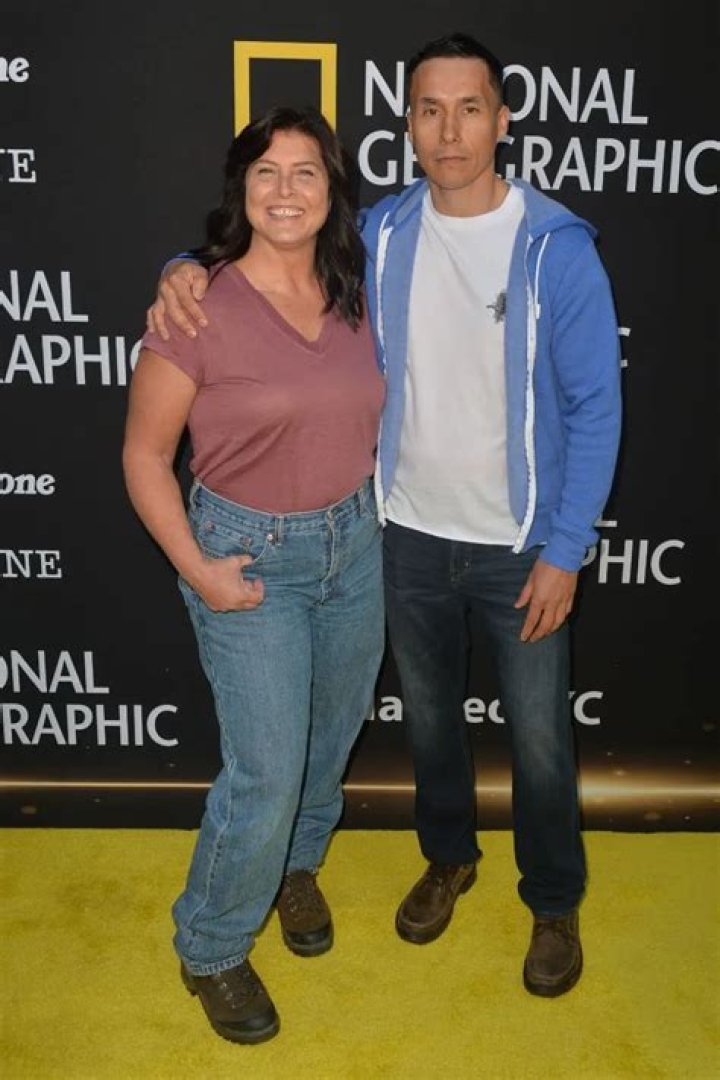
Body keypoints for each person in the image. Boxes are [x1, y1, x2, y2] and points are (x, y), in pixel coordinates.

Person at [148, 33, 622, 999]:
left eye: (469, 108)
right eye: (429, 110)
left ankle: (553, 901)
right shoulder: (385, 233)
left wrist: (567, 547)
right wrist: (181, 266)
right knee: (434, 726)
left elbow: (596, 406)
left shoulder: (557, 247)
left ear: (502, 119)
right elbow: (270, 239)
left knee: (539, 739)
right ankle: (449, 860)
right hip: (400, 536)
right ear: (408, 124)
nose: (449, 131)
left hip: (521, 543)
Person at [124, 106, 385, 1044]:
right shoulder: (198, 307)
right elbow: (144, 457)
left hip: (357, 545)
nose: (285, 189)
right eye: (266, 171)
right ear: (241, 188)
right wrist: (197, 569)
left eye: (305, 171)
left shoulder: (361, 287)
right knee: (267, 769)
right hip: (248, 555)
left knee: (329, 739)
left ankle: (295, 868)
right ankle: (211, 945)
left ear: (331, 190)